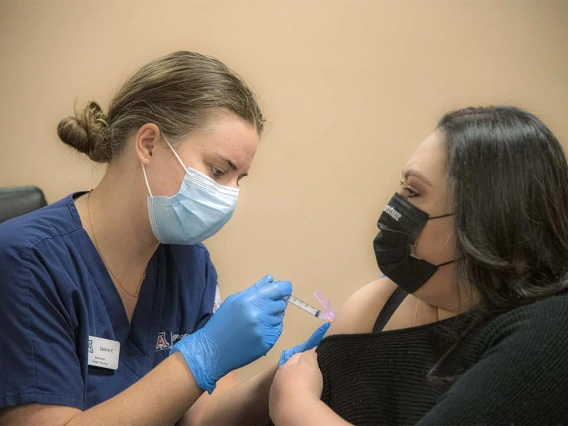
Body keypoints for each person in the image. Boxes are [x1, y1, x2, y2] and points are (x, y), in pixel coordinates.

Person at [0, 51, 298, 425]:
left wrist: (282, 381)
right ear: (148, 144)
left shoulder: (191, 265)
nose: (229, 195)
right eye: (218, 170)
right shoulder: (26, 261)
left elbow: (205, 416)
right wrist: (200, 358)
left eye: (239, 179)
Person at [267, 106, 568, 425]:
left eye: (413, 192)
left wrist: (294, 404)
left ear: (487, 222)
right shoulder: (385, 300)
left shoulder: (550, 332)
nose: (393, 208)